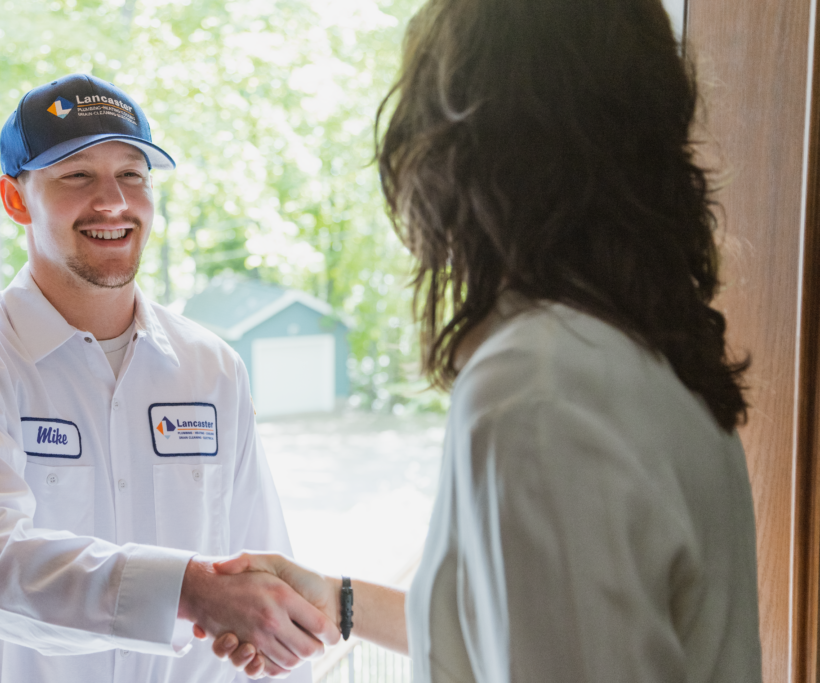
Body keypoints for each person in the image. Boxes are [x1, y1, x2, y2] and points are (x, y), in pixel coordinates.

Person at [207, 0, 764, 680]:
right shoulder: (654, 358)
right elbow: (531, 626)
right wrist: (336, 599)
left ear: (457, 150)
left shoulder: (537, 389)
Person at [0, 73, 337, 683]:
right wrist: (186, 591)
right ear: (16, 199)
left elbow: (263, 572)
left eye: (132, 174)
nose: (114, 202)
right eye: (77, 176)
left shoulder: (211, 369)